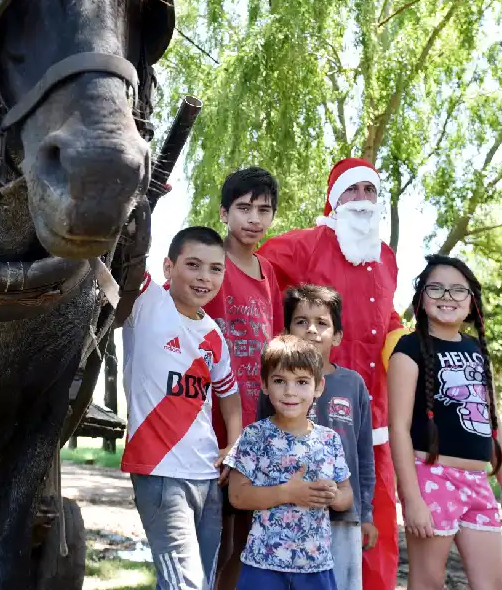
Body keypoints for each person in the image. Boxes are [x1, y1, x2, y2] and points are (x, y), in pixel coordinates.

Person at [258, 157, 405, 590]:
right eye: (352, 191)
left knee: (376, 518)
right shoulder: (305, 244)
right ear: (333, 200)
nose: (362, 201)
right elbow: (255, 274)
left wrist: (401, 342)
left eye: (370, 192)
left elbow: (387, 314)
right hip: (312, 408)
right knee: (302, 515)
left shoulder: (386, 257)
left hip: (372, 411)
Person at [122, 225, 243, 590]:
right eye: (193, 265)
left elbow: (230, 395)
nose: (204, 277)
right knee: (185, 585)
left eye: (215, 268)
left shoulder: (213, 335)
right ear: (168, 267)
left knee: (201, 583)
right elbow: (114, 250)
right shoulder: (145, 301)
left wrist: (234, 444)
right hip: (159, 473)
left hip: (208, 474)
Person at [387, 255, 502, 590]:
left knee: (495, 583)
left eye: (458, 290)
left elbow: (494, 425)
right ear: (421, 298)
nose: (448, 296)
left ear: (472, 302)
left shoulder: (477, 350)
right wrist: (411, 498)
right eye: (437, 288)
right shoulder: (409, 348)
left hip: (477, 481)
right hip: (432, 478)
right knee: (429, 581)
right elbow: (398, 428)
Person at [259, 285, 375, 590]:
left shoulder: (353, 384)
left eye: (322, 323)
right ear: (286, 330)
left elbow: (364, 453)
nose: (311, 330)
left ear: (336, 335)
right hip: (283, 517)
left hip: (340, 514)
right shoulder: (276, 386)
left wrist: (365, 513)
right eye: (301, 321)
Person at [205, 167, 282, 590]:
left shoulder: (268, 271)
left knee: (245, 540)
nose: (254, 218)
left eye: (264, 210)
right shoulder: (210, 262)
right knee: (214, 536)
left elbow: (270, 341)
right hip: (213, 419)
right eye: (244, 208)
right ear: (225, 212)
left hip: (258, 420)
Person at [225, 334, 352, 589]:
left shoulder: (329, 440)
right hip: (263, 564)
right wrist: (288, 493)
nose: (290, 391)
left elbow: (346, 495)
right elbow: (237, 496)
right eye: (280, 381)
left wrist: (332, 495)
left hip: (315, 566)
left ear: (318, 387)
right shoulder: (254, 435)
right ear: (264, 384)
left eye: (302, 381)